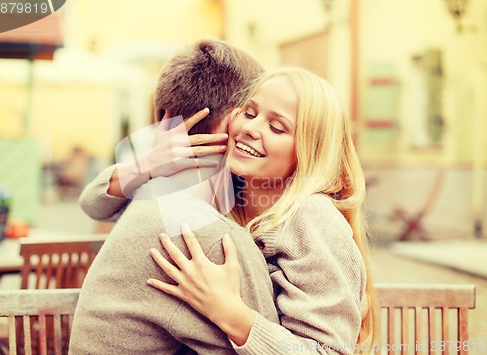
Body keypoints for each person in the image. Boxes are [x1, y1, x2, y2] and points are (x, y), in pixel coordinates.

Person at [147, 66, 379, 354]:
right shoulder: (228, 198)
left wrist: (230, 314)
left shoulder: (311, 217)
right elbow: (101, 203)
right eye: (250, 112)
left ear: (309, 150)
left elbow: (326, 351)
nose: (250, 129)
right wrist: (147, 166)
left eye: (276, 127)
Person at [69, 39, 280, 354]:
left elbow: (93, 201)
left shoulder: (152, 195)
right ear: (232, 125)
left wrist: (146, 166)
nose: (256, 129)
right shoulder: (213, 238)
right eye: (251, 114)